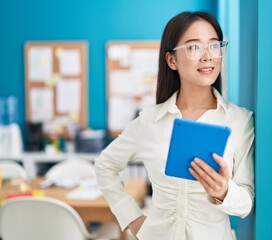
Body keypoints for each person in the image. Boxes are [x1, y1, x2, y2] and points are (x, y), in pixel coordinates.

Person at [95, 11, 254, 240]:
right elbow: (104, 166)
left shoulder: (240, 121)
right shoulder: (150, 121)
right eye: (194, 47)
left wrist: (224, 192)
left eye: (214, 45)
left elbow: (246, 203)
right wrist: (133, 219)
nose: (208, 56)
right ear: (171, 60)